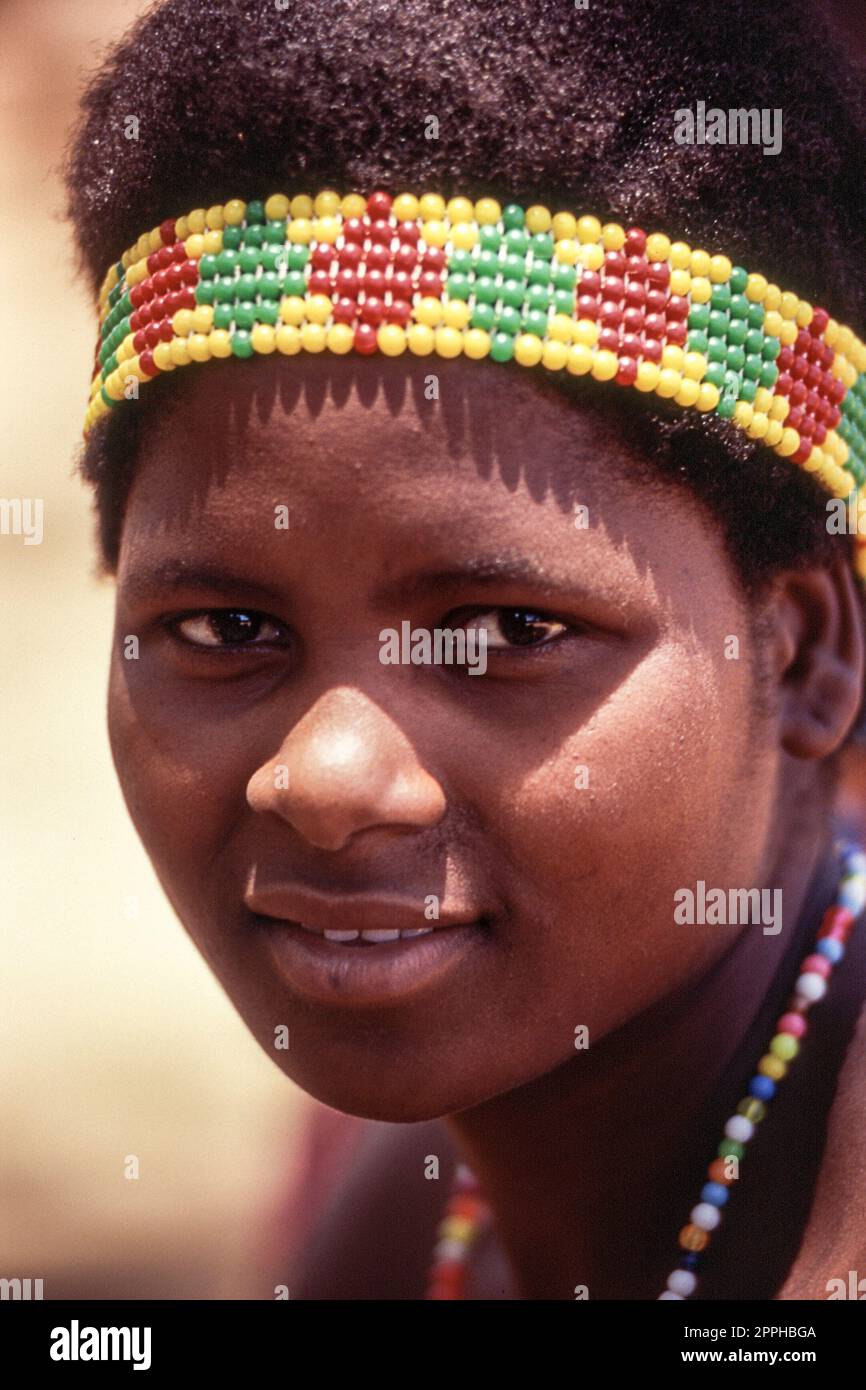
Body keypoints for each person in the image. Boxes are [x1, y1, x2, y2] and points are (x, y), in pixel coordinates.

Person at [64, 0, 866, 1299]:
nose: (323, 777)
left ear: (806, 653)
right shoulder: (406, 1206)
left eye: (504, 630)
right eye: (226, 629)